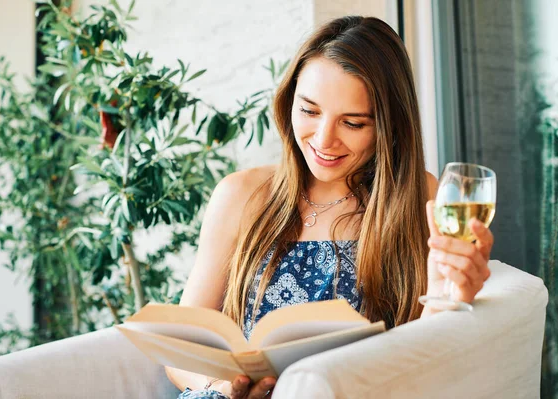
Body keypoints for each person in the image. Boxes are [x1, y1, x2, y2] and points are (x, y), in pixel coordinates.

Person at [166, 15, 494, 399]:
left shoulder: (415, 197)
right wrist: (220, 386)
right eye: (308, 111)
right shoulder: (242, 195)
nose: (324, 140)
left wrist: (454, 300)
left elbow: (422, 358)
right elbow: (182, 348)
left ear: (389, 127)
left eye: (353, 123)